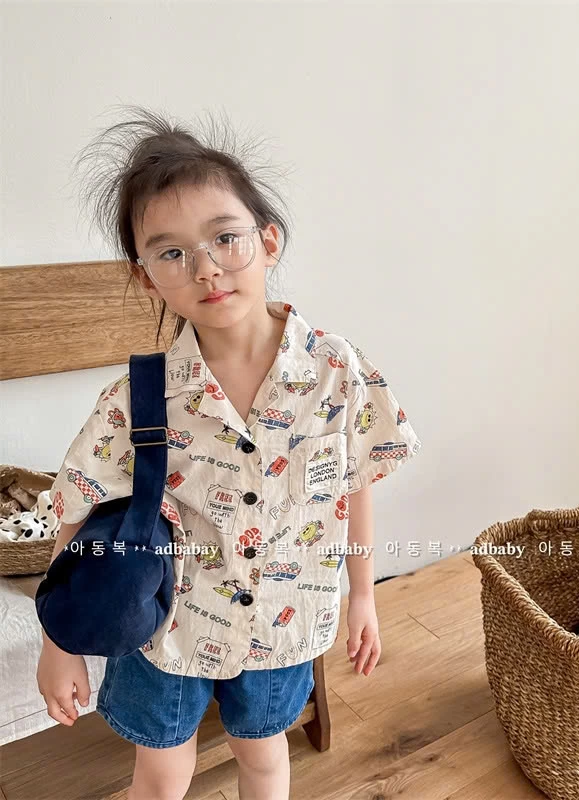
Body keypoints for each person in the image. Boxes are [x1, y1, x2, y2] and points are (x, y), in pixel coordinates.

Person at [36, 106, 422, 800]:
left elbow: (355, 483)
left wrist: (363, 594)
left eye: (225, 238)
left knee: (264, 756)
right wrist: (59, 642)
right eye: (172, 253)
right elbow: (75, 508)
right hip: (168, 632)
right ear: (146, 277)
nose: (207, 269)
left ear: (267, 241)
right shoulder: (140, 397)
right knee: (161, 773)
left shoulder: (336, 370)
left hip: (286, 619)